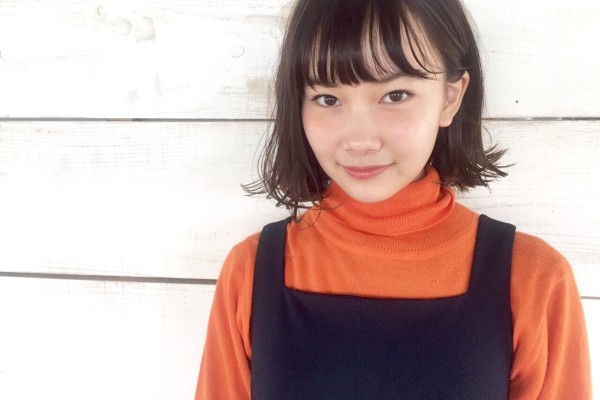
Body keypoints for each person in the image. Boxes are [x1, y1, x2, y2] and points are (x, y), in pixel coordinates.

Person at [195, 0, 591, 398]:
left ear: (450, 98)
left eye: (396, 95)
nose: (360, 140)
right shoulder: (251, 274)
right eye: (328, 99)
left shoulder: (533, 280)